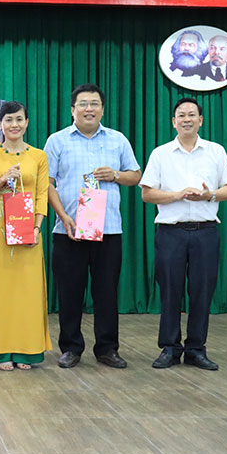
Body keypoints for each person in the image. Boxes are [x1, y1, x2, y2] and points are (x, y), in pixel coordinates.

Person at [44, 83, 141, 369]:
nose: (89, 109)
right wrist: (63, 216)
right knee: (69, 292)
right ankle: (71, 348)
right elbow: (46, 183)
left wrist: (116, 175)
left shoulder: (117, 140)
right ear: (72, 109)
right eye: (83, 104)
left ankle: (107, 349)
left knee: (106, 292)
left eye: (94, 103)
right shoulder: (57, 141)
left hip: (108, 229)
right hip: (69, 229)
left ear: (102, 108)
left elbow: (136, 176)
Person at [140, 97, 227, 371]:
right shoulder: (160, 153)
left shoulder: (216, 151)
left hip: (206, 232)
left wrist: (210, 195)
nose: (187, 119)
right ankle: (170, 348)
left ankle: (196, 349)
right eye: (181, 115)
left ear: (201, 120)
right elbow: (147, 194)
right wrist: (177, 195)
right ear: (173, 121)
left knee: (202, 291)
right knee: (170, 291)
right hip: (170, 232)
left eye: (192, 114)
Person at [0, 101, 52, 371]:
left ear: (27, 122)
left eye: (19, 119)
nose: (14, 124)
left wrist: (37, 227)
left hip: (28, 227)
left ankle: (26, 350)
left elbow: (42, 194)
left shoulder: (39, 156)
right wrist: (2, 180)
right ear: (1, 124)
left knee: (26, 291)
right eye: (8, 120)